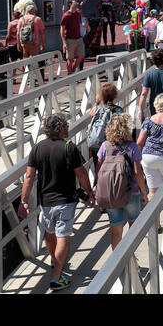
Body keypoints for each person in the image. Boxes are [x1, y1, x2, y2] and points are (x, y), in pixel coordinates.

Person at [19, 113, 93, 291]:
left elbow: (29, 177)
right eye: (66, 126)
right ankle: (56, 277)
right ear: (59, 129)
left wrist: (24, 201)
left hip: (46, 201)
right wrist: (90, 192)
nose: (68, 129)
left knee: (50, 234)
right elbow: (81, 173)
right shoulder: (69, 147)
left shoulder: (37, 148)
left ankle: (55, 262)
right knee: (63, 237)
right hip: (65, 200)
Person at [97, 113, 149, 250]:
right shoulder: (132, 147)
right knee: (133, 227)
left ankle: (117, 263)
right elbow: (138, 173)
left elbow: (99, 170)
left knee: (116, 228)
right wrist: (144, 193)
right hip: (131, 193)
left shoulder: (105, 146)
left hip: (110, 193)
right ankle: (131, 260)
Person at [59, 0, 85, 72]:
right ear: (70, 4)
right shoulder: (66, 15)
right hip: (70, 39)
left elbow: (80, 23)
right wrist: (64, 42)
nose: (76, 4)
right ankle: (70, 74)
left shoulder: (78, 14)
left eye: (77, 2)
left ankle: (73, 69)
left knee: (81, 55)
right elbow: (62, 29)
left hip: (79, 38)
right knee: (70, 58)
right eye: (75, 3)